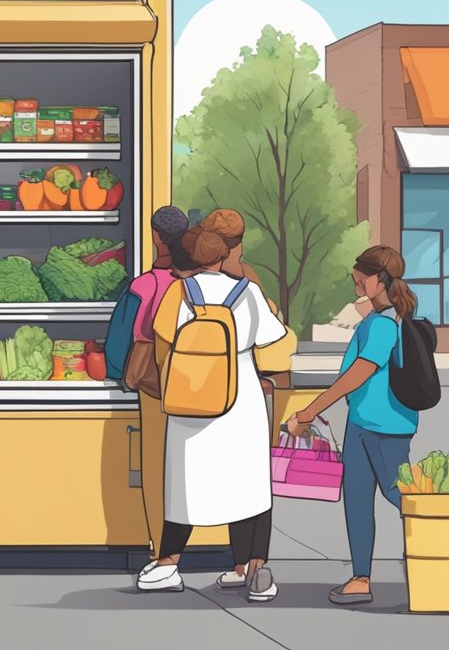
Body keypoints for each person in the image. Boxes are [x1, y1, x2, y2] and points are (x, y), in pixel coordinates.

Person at [137, 226, 288, 602]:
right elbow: (273, 335)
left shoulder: (178, 293)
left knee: (185, 485)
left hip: (192, 397)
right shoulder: (248, 293)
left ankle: (168, 565)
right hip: (242, 398)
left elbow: (161, 336)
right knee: (249, 487)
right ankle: (253, 570)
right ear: (223, 257)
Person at [287, 245, 417, 606]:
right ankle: (361, 578)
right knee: (358, 501)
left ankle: (438, 555)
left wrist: (310, 411)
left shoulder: (382, 324)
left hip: (384, 426)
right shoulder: (382, 317)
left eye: (363, 274)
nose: (356, 278)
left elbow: (359, 374)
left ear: (381, 279)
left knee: (401, 496)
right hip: (363, 423)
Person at [128, 206, 191, 561]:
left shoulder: (144, 285)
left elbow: (126, 339)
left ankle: (160, 550)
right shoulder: (193, 286)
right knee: (181, 470)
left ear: (154, 237)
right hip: (193, 388)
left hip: (154, 387)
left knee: (155, 470)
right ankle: (181, 548)